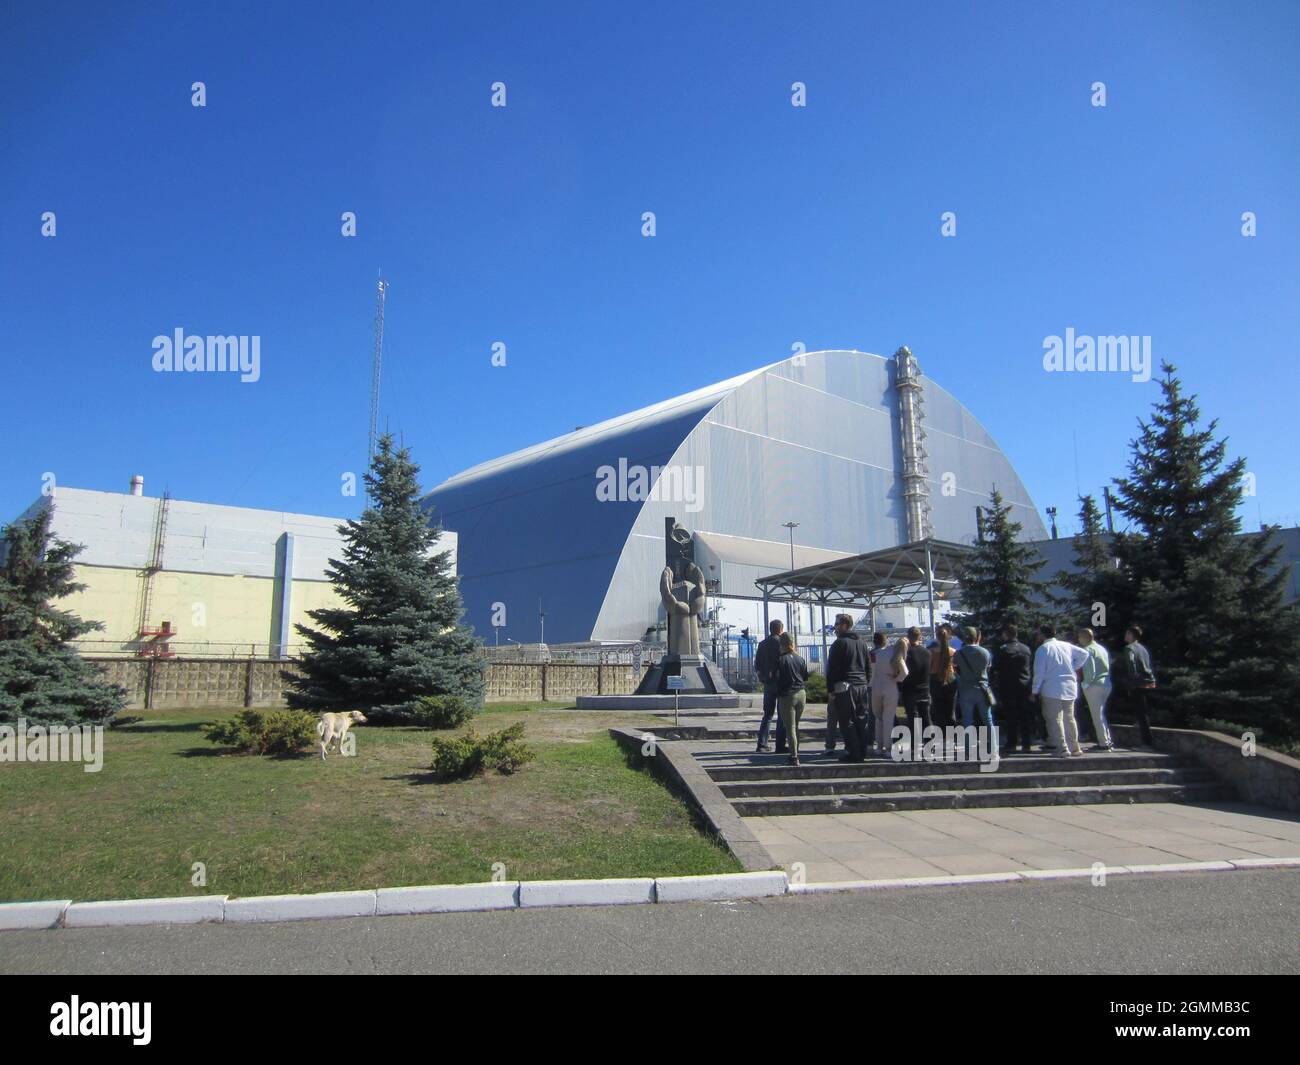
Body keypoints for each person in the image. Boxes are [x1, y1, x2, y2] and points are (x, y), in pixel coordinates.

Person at [1031, 623, 1090, 757]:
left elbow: (1039, 673)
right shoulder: (1066, 645)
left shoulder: (1043, 649)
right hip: (1070, 686)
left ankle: (1062, 747)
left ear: (1042, 635)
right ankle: (1074, 747)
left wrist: (1034, 691)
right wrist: (1074, 667)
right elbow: (1084, 653)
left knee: (1054, 719)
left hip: (1051, 688)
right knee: (1069, 718)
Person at [826, 613, 871, 763]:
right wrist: (866, 682)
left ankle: (853, 752)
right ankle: (862, 751)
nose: (835, 628)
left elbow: (832, 669)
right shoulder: (862, 643)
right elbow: (867, 666)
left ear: (845, 625)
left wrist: (831, 690)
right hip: (862, 685)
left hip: (846, 686)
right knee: (861, 720)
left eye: (837, 624)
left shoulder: (839, 643)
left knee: (847, 721)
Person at [953, 626, 996, 757]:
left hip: (966, 689)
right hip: (982, 688)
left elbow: (956, 669)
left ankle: (968, 750)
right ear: (977, 637)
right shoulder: (985, 652)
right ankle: (994, 750)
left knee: (967, 720)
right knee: (988, 719)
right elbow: (988, 668)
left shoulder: (959, 654)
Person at [1113, 625, 1157, 748]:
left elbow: (1132, 664)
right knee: (1143, 712)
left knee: (1141, 714)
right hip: (1149, 681)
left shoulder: (1129, 649)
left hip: (1138, 683)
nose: (1125, 636)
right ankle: (1145, 737)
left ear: (1132, 635)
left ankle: (1147, 743)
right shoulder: (1143, 648)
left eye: (1127, 633)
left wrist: (1131, 680)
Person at [992, 625, 1034, 753]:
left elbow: (996, 667)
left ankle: (1012, 742)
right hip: (1024, 686)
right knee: (1024, 715)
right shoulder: (1026, 649)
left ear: (1006, 634)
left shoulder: (1003, 649)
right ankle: (1027, 743)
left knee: (1011, 716)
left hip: (1008, 686)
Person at [753, 619, 789, 754]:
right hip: (782, 682)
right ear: (781, 629)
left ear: (770, 629)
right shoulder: (783, 643)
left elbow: (757, 664)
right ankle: (780, 745)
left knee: (767, 715)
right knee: (782, 714)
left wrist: (763, 677)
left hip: (768, 683)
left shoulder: (762, 644)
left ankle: (762, 744)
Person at [775, 632, 810, 766]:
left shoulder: (780, 660)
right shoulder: (800, 659)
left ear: (781, 645)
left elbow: (777, 679)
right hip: (801, 693)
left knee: (790, 727)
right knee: (796, 725)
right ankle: (796, 750)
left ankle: (794, 756)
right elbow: (805, 677)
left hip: (787, 695)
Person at [1077, 627, 1114, 750]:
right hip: (1106, 683)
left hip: (1094, 685)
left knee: (1097, 715)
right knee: (1101, 714)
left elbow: (1090, 670)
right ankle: (1107, 740)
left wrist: (1085, 684)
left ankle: (1104, 743)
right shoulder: (1101, 648)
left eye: (1079, 637)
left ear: (1083, 637)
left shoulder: (1087, 650)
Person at [871, 633, 907, 754]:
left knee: (878, 717)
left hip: (875, 686)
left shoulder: (872, 654)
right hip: (890, 685)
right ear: (885, 641)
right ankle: (889, 746)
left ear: (874, 641)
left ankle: (879, 745)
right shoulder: (892, 652)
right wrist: (896, 679)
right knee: (889, 717)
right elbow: (905, 672)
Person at [900, 626, 932, 739]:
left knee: (913, 718)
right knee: (926, 717)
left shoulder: (907, 653)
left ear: (908, 637)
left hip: (910, 689)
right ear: (920, 637)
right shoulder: (927, 653)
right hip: (925, 688)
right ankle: (930, 743)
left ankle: (915, 744)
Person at [928, 625, 958, 728]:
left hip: (935, 680)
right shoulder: (953, 651)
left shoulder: (931, 652)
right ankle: (951, 735)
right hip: (950, 678)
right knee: (950, 710)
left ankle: (941, 734)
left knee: (938, 709)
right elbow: (955, 666)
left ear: (937, 637)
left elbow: (930, 667)